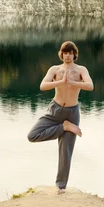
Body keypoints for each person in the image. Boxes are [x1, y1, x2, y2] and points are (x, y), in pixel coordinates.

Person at [27, 41, 94, 194]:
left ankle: (61, 187)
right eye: (65, 53)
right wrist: (60, 81)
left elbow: (90, 86)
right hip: (54, 111)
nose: (67, 55)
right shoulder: (55, 69)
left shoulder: (81, 70)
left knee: (66, 151)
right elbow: (43, 86)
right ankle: (63, 126)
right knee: (32, 135)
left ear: (74, 55)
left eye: (70, 53)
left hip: (71, 112)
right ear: (61, 54)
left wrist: (72, 81)